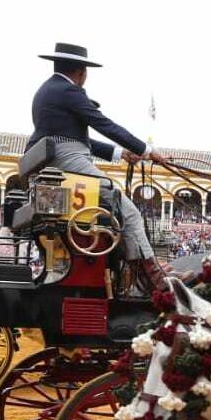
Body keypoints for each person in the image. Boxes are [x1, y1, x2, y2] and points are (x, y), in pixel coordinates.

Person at [25, 43, 168, 286]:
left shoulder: (47, 91)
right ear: (81, 72)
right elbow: (104, 124)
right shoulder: (70, 91)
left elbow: (81, 139)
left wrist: (120, 152)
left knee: (116, 211)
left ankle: (135, 274)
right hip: (69, 162)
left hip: (59, 160)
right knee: (129, 211)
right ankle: (152, 278)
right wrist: (146, 150)